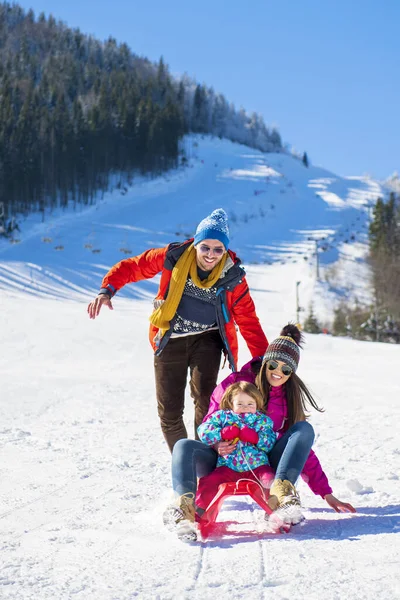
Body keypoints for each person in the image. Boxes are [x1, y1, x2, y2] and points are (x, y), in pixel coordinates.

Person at [87, 208, 268, 451]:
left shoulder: (232, 275)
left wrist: (264, 360)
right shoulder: (174, 256)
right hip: (170, 338)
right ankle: (184, 462)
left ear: (225, 250)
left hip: (207, 340)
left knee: (206, 403)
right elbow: (133, 266)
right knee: (169, 410)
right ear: (196, 244)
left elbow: (247, 318)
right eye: (205, 247)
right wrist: (107, 289)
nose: (211, 255)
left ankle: (205, 459)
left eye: (218, 249)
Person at [164, 323, 356, 540]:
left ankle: (283, 496)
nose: (278, 372)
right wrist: (217, 442)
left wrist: (326, 493)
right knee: (183, 446)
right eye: (274, 364)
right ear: (266, 361)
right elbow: (209, 423)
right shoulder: (236, 383)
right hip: (221, 459)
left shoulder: (287, 396)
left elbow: (298, 447)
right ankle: (184, 508)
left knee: (304, 429)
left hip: (261, 461)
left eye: (286, 369)